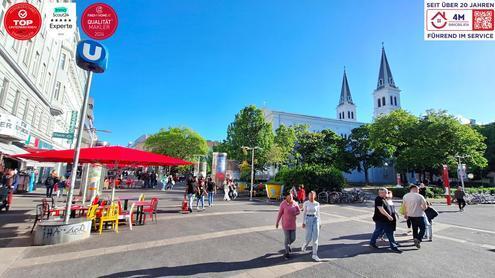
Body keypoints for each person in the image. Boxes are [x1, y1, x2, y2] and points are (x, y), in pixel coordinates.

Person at [369, 188, 401, 252]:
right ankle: (393, 246)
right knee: (389, 232)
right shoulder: (378, 199)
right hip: (381, 219)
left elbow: (390, 207)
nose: (382, 194)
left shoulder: (385, 198)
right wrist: (388, 216)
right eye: (380, 192)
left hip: (385, 219)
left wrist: (395, 213)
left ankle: (372, 243)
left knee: (379, 231)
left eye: (384, 192)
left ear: (386, 193)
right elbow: (381, 209)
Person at [276, 192, 301, 259]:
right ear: (286, 197)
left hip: (293, 224)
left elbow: (299, 211)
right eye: (288, 197)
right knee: (287, 238)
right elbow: (280, 214)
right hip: (285, 224)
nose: (290, 198)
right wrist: (277, 222)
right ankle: (287, 253)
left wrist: (295, 213)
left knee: (293, 238)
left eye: (291, 196)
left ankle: (288, 245)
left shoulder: (295, 203)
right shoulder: (283, 204)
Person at [403, 185, 428, 249]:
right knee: (423, 228)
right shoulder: (420, 196)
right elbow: (425, 207)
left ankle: (415, 239)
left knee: (415, 229)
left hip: (410, 215)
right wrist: (423, 208)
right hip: (419, 215)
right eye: (418, 189)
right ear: (415, 189)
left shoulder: (405, 196)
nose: (419, 191)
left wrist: (405, 214)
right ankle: (418, 239)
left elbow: (404, 206)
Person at [301, 191, 321, 262]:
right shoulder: (306, 203)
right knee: (308, 237)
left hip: (316, 220)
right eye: (310, 195)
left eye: (312, 195)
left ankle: (314, 255)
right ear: (308, 196)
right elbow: (304, 213)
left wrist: (320, 223)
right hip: (308, 220)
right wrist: (303, 222)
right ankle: (305, 245)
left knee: (315, 238)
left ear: (315, 196)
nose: (311, 197)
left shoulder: (317, 203)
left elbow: (318, 214)